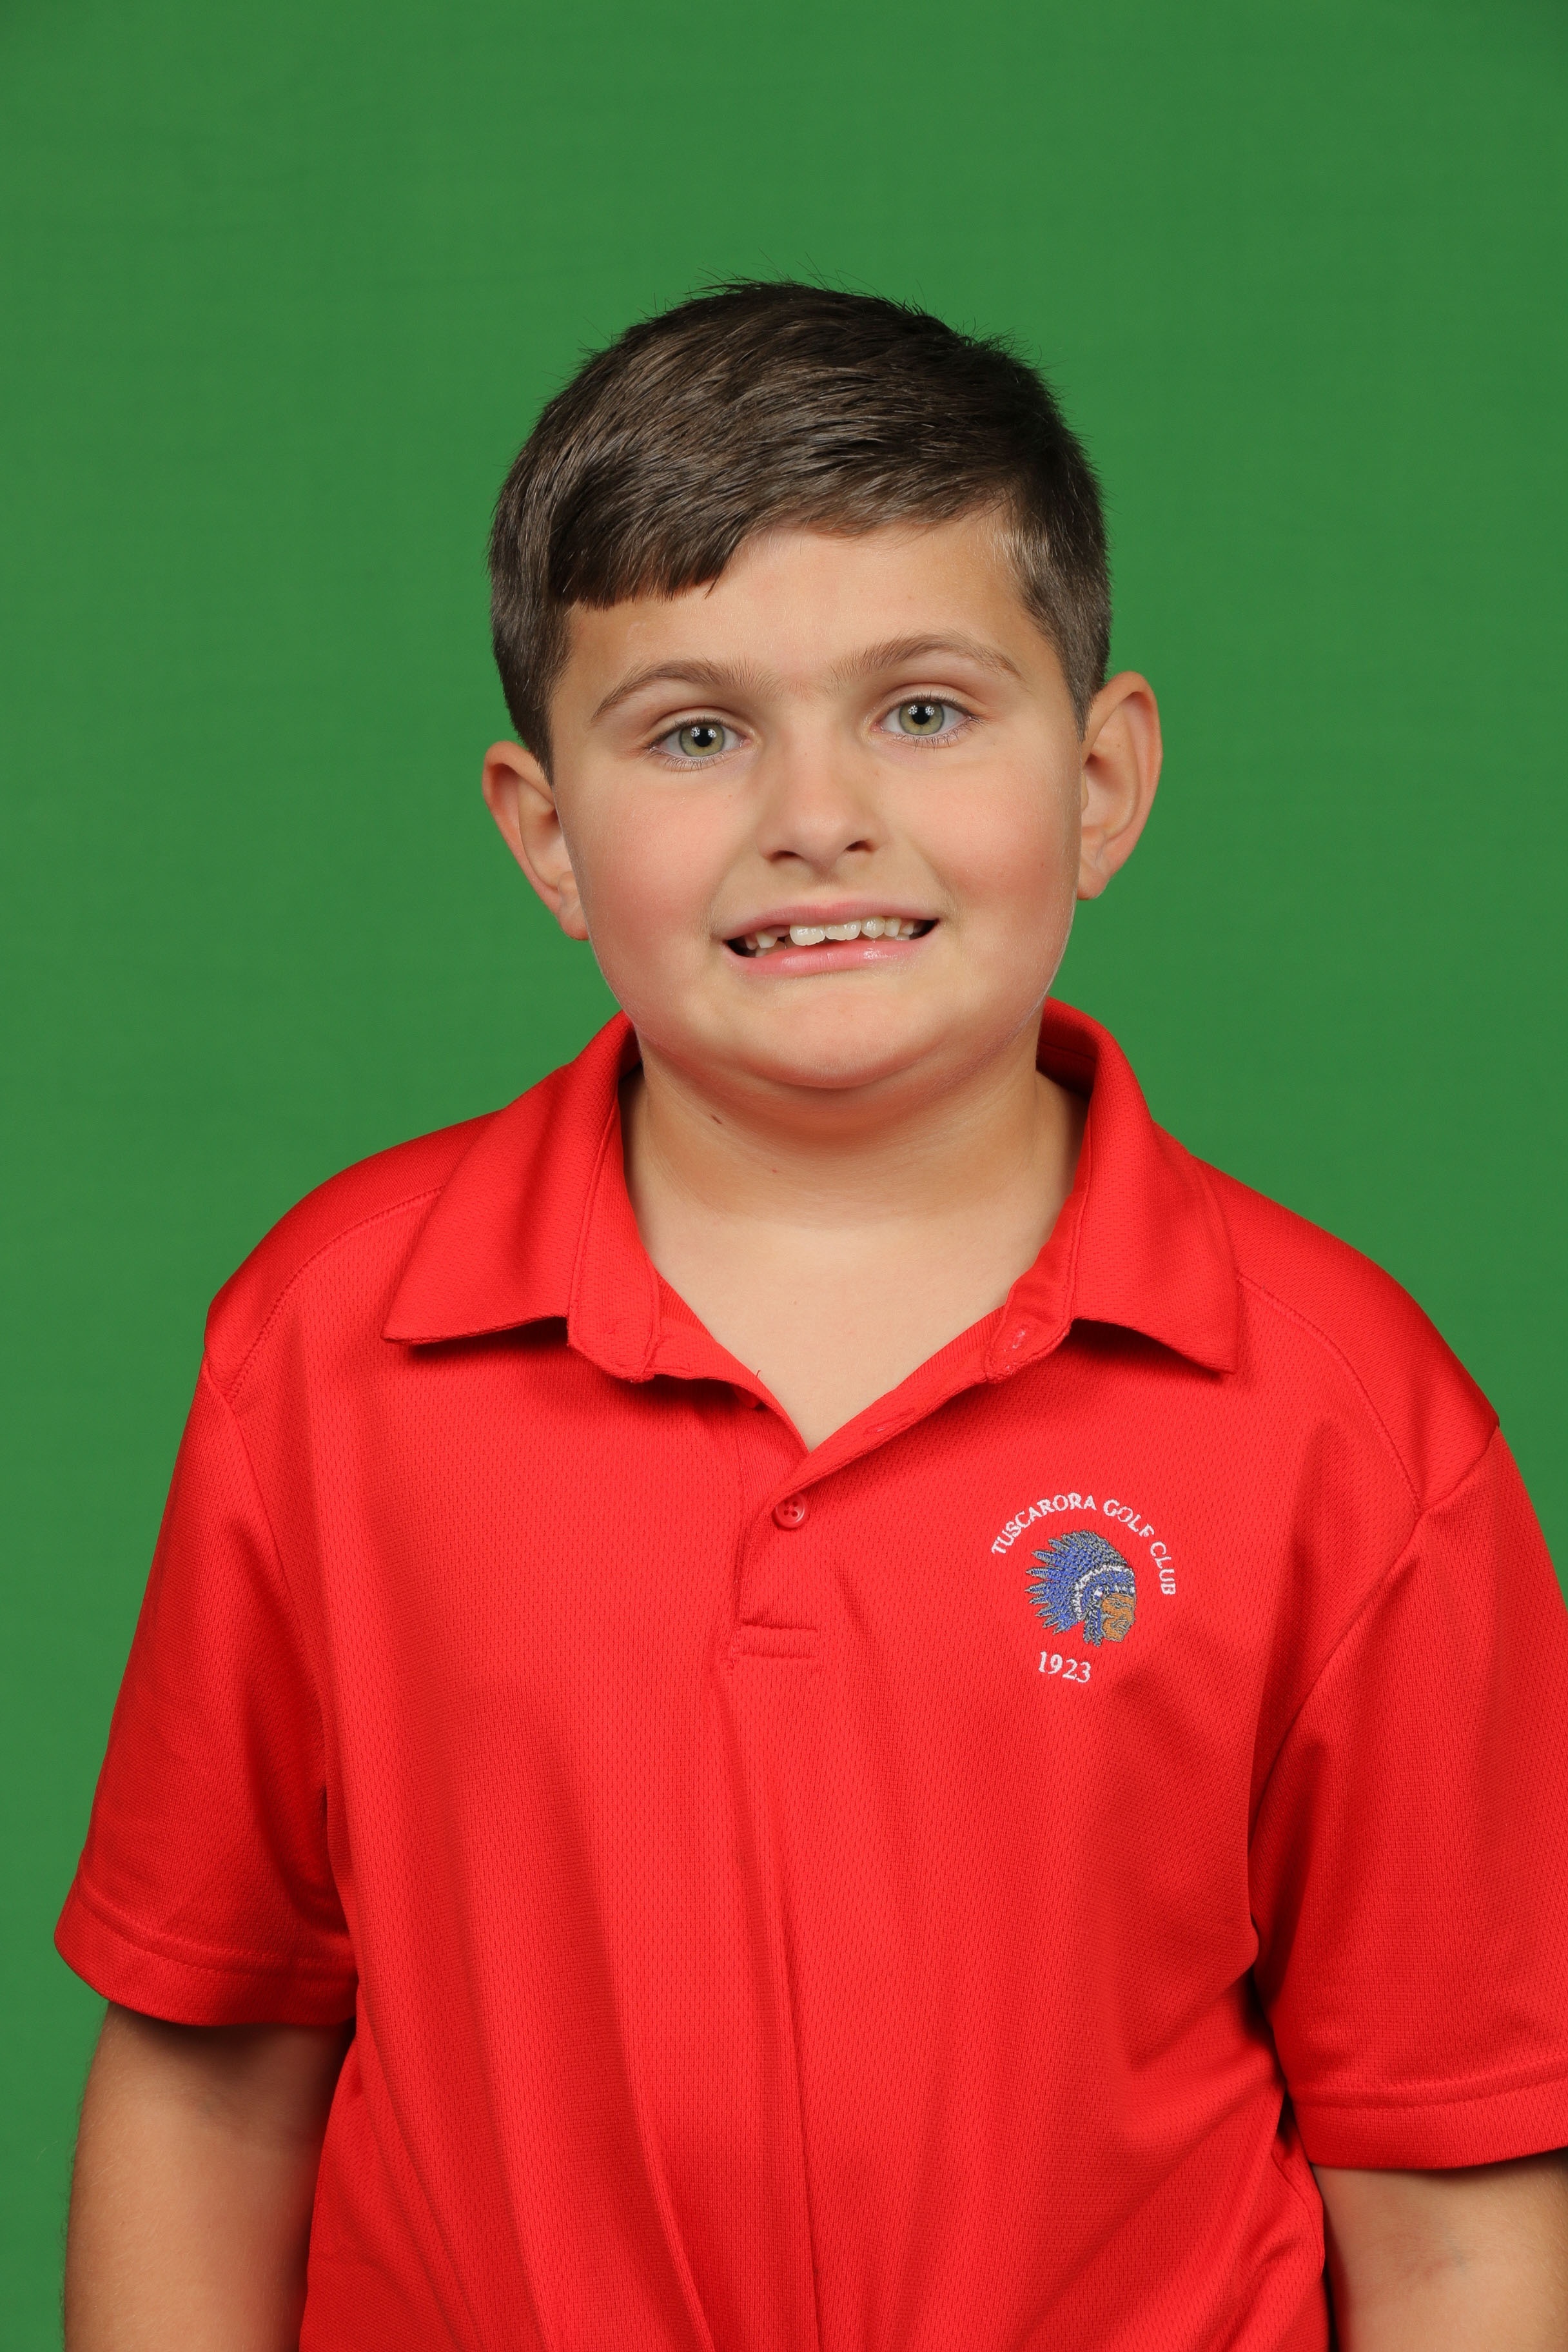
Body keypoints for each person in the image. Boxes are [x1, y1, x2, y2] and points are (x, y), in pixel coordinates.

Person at [58, 283, 1568, 2351]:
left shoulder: (1350, 1420)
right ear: (546, 834)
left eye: (924, 711)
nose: (816, 813)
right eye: (696, 733)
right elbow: (213, 2063)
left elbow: (1455, 2183)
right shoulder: (330, 1346)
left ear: (1105, 779)